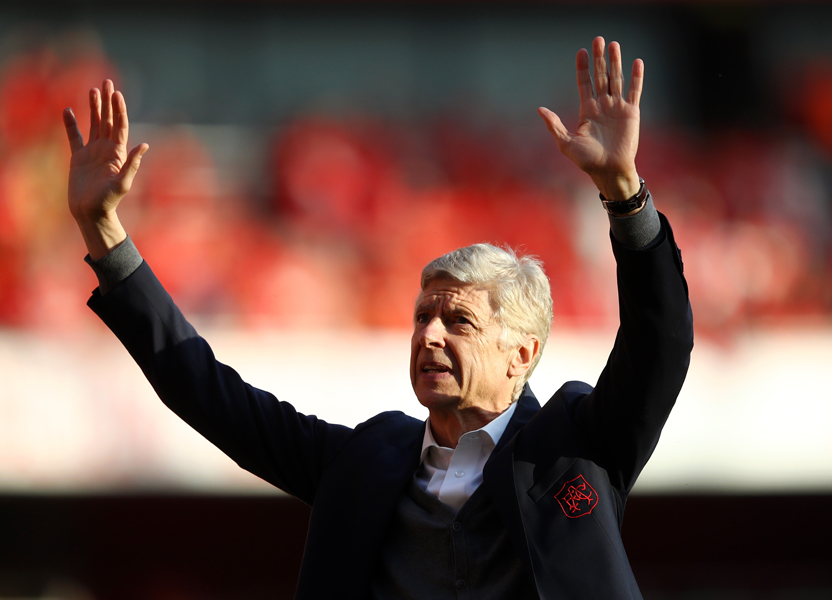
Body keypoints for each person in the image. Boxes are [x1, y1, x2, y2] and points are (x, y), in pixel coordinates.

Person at [63, 37, 692, 599]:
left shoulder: (575, 446)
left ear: (521, 354)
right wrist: (104, 233)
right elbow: (205, 391)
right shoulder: (366, 462)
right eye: (422, 317)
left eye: (459, 322)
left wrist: (624, 194)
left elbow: (659, 342)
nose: (430, 335)